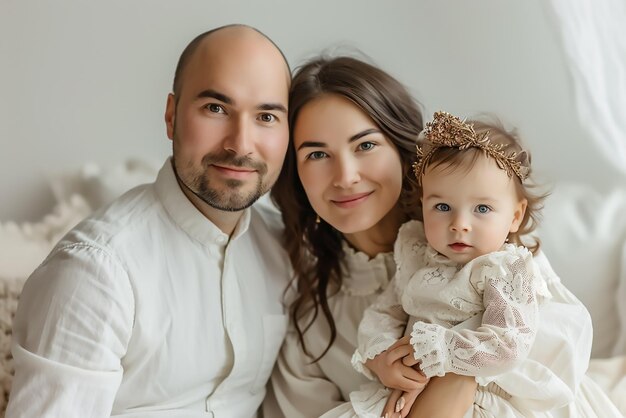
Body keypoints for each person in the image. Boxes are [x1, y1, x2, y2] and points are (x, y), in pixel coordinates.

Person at [265, 56, 621, 418]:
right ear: (295, 173)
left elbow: (552, 366)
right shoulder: (311, 322)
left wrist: (454, 377)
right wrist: (379, 358)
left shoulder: (495, 247)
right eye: (317, 154)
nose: (345, 176)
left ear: (402, 150)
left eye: (366, 145)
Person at [7, 24, 292, 418]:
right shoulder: (93, 272)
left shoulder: (285, 247)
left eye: (266, 116)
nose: (240, 144)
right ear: (171, 116)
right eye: (216, 108)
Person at [349, 110, 569, 417]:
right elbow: (385, 311)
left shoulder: (503, 269)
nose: (459, 224)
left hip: (474, 393)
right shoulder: (416, 254)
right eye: (442, 206)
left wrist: (437, 349)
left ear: (515, 216)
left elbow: (509, 343)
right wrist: (383, 355)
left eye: (482, 208)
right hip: (407, 385)